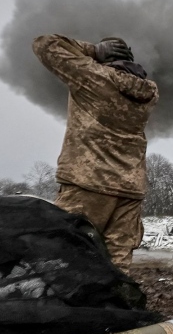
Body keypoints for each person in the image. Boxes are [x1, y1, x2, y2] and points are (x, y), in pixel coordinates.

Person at [32, 35, 159, 273]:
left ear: (104, 57)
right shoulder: (149, 92)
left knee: (68, 256)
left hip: (88, 183)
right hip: (130, 188)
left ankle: (73, 310)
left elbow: (44, 44)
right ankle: (118, 308)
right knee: (118, 265)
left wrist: (91, 50)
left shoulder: (93, 77)